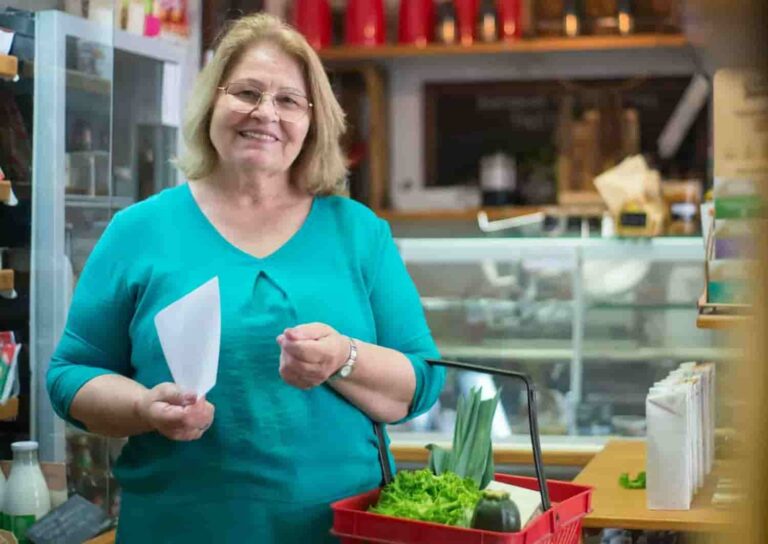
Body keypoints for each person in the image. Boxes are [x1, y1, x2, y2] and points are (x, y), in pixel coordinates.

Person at [46, 13, 445, 543]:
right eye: (247, 92)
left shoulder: (358, 233)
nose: (265, 113)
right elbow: (70, 375)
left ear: (312, 121)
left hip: (341, 530)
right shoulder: (138, 231)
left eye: (287, 100)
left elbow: (420, 383)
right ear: (213, 101)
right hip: (177, 528)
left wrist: (343, 357)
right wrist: (144, 408)